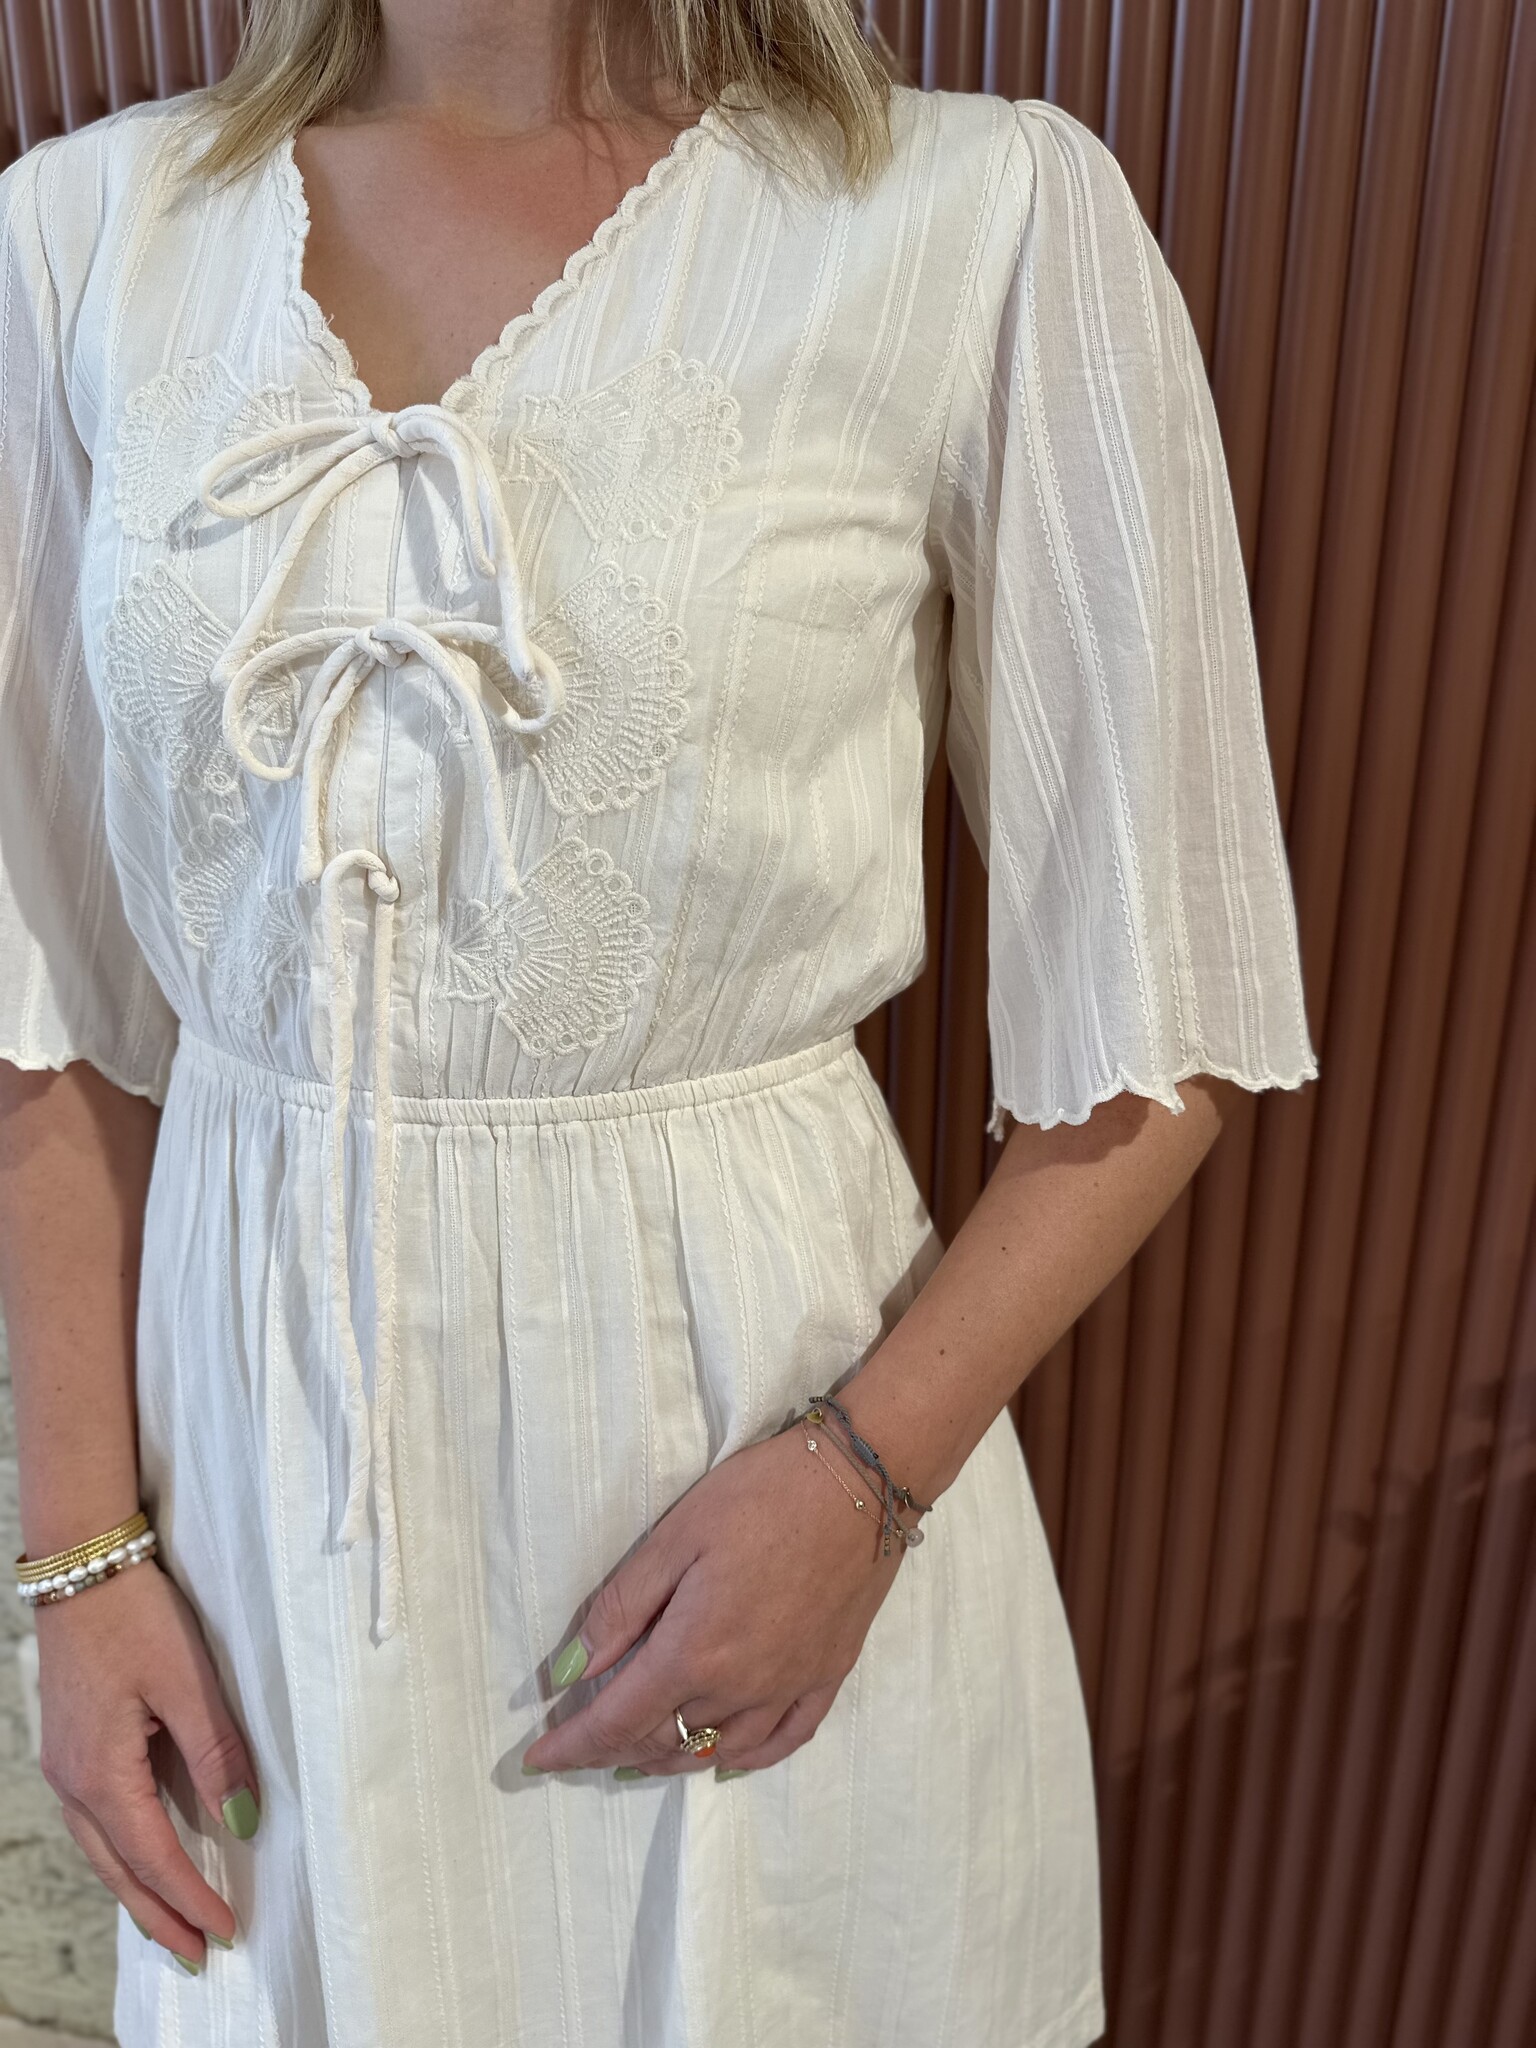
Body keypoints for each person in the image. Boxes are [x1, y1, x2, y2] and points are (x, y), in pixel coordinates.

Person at [0, 1, 1318, 2042]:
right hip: (256, 1545)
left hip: (759, 1486)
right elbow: (44, 1004)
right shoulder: (79, 239)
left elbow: (1172, 1011)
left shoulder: (971, 220)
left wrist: (862, 1486)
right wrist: (79, 1573)